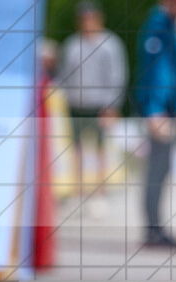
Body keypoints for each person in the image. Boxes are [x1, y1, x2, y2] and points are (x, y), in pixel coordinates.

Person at [132, 0, 176, 249]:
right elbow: (155, 72)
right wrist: (154, 111)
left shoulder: (171, 26)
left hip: (167, 110)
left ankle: (156, 227)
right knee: (156, 170)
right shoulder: (157, 25)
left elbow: (175, 74)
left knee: (162, 168)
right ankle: (152, 229)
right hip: (157, 111)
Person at [57, 1, 127, 198]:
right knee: (76, 150)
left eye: (90, 17)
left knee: (100, 150)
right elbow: (65, 75)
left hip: (100, 105)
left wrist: (112, 105)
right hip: (75, 104)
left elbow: (117, 76)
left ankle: (100, 192)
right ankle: (78, 192)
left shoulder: (110, 44)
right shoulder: (71, 45)